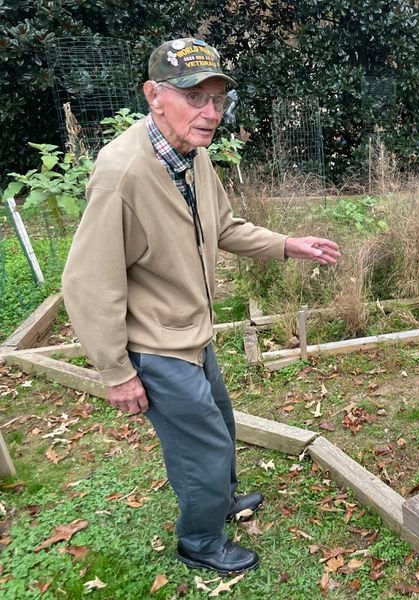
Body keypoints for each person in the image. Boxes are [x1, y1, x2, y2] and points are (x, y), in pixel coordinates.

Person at [61, 38, 340, 575]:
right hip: (156, 345)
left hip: (193, 332)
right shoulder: (122, 174)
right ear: (154, 96)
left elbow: (225, 227)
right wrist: (116, 372)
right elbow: (88, 282)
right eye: (195, 98)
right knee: (202, 448)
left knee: (222, 423)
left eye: (217, 99)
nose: (210, 113)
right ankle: (200, 541)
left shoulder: (194, 157)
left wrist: (288, 244)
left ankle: (222, 500)